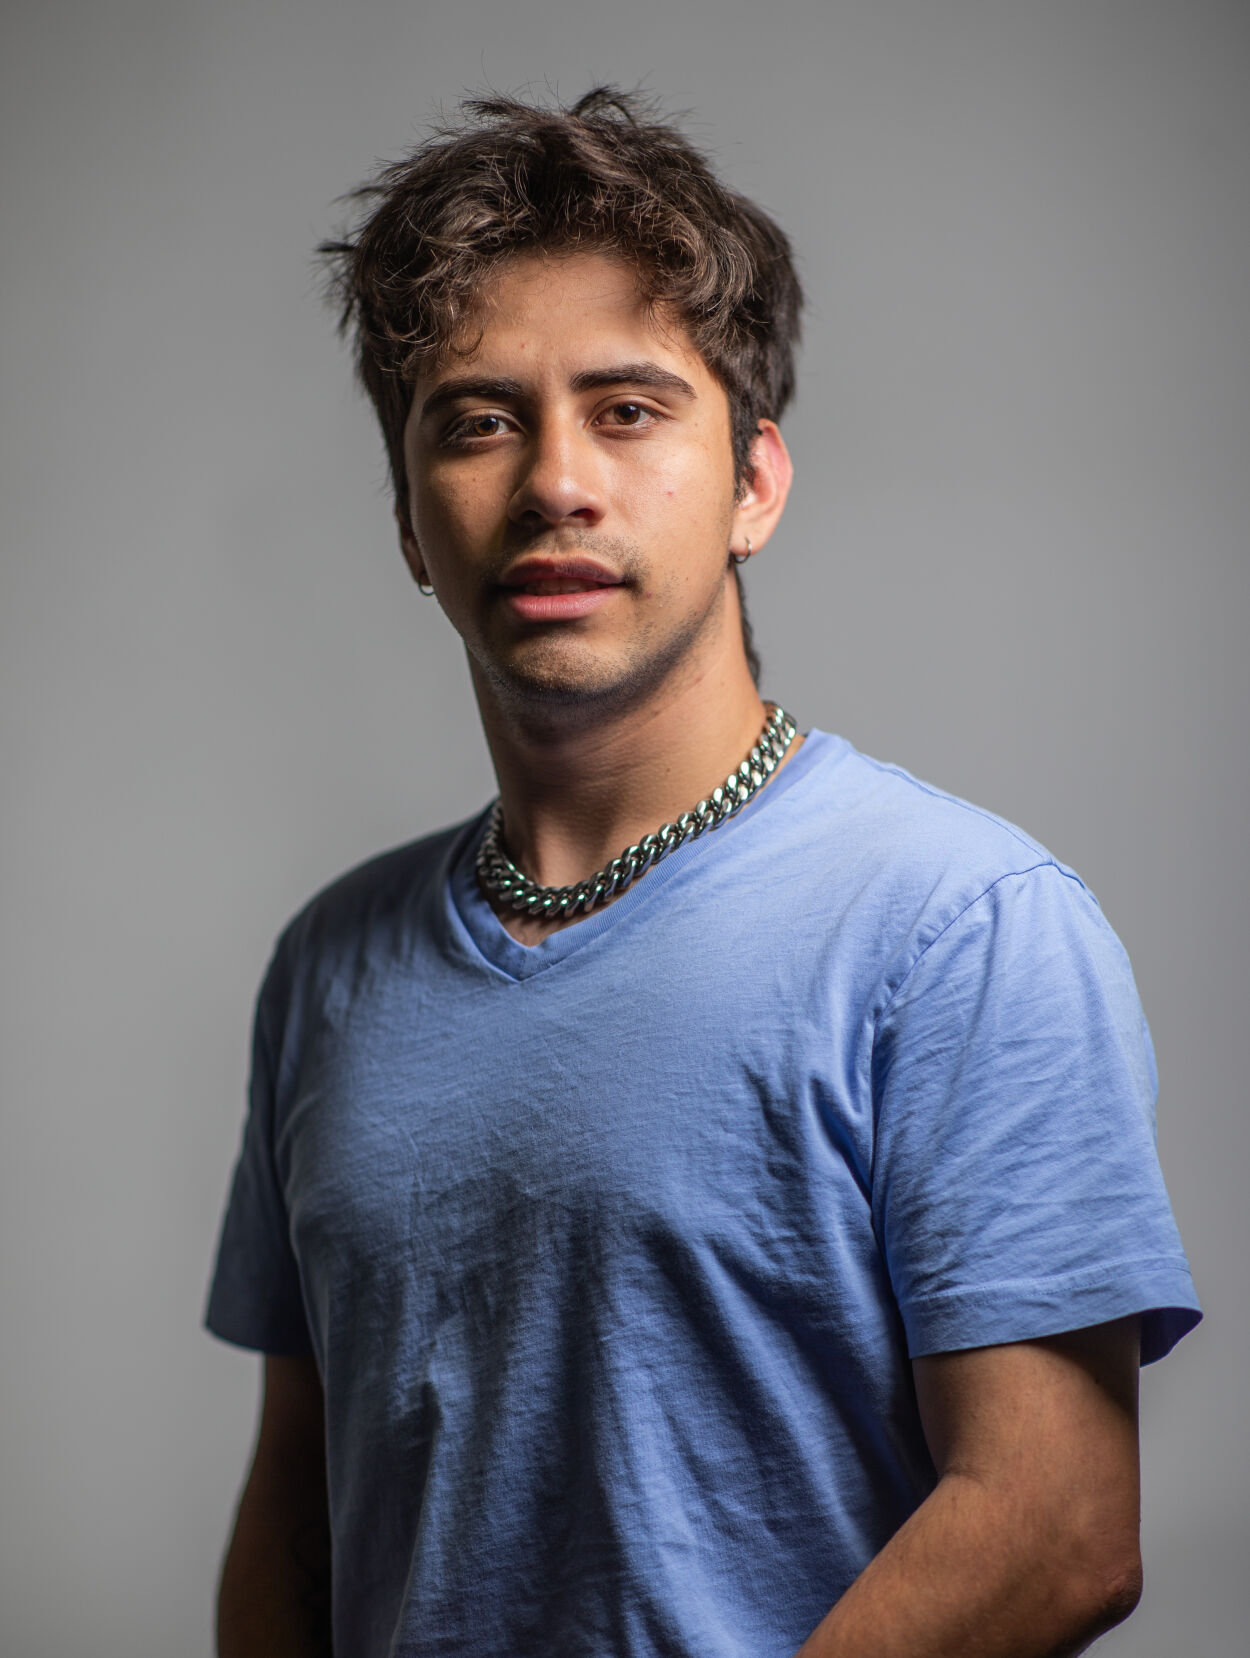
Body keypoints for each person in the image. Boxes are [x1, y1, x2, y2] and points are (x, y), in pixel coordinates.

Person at [205, 88, 1201, 1658]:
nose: (553, 484)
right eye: (476, 418)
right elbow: (296, 1499)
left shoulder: (960, 926)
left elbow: (1058, 1525)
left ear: (752, 483)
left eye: (627, 408)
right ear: (408, 517)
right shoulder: (330, 963)